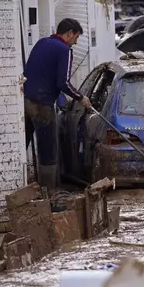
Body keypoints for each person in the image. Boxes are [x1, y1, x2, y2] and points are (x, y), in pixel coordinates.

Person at [23, 18, 92, 193]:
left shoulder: (41, 43)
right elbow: (63, 83)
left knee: (22, 143)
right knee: (48, 150)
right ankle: (50, 195)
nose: (75, 43)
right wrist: (80, 97)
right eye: (76, 38)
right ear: (69, 33)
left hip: (25, 101)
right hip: (43, 105)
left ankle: (17, 187)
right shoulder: (64, 50)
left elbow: (32, 71)